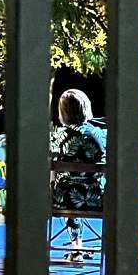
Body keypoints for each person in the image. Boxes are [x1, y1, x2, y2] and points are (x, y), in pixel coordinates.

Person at [50, 89, 107, 261]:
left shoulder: (58, 136)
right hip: (96, 198)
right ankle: (78, 249)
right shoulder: (99, 134)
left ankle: (76, 248)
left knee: (65, 186)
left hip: (63, 199)